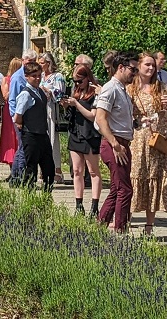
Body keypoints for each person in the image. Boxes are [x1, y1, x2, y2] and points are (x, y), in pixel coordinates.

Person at [127, 52, 167, 235]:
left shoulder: (161, 87)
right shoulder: (130, 88)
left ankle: (149, 225)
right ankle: (127, 220)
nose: (150, 68)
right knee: (135, 176)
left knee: (154, 177)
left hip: (157, 140)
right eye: (147, 64)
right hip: (138, 139)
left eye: (153, 65)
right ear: (138, 66)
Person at [95, 51, 137, 233]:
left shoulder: (122, 90)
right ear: (120, 67)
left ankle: (100, 224)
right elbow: (100, 118)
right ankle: (120, 230)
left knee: (117, 188)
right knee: (125, 190)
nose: (134, 74)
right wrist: (115, 144)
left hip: (122, 142)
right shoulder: (110, 88)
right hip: (114, 143)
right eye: (132, 69)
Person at [61, 60, 102, 217]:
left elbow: (92, 116)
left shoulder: (95, 92)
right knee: (77, 171)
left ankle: (94, 205)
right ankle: (78, 204)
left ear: (88, 78)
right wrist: (67, 106)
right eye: (75, 81)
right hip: (76, 133)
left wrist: (77, 104)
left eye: (80, 80)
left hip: (90, 134)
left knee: (93, 171)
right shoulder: (76, 92)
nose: (77, 83)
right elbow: (70, 116)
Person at [13, 62, 55, 189]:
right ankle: (29, 193)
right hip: (31, 134)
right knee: (31, 167)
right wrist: (22, 125)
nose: (37, 78)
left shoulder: (39, 91)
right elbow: (17, 116)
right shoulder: (26, 94)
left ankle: (47, 193)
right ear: (26, 76)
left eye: (39, 75)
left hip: (42, 133)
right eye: (34, 76)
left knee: (48, 167)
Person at [7, 50, 39, 186]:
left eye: (33, 62)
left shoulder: (32, 75)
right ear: (23, 60)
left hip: (31, 118)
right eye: (28, 61)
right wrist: (17, 119)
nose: (30, 64)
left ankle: (20, 176)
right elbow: (12, 99)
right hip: (21, 117)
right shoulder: (17, 77)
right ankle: (17, 176)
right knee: (23, 148)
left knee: (25, 148)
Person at [38, 52, 66, 184]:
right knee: (42, 140)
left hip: (51, 110)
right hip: (41, 110)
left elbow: (60, 94)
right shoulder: (41, 76)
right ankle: (43, 169)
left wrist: (49, 91)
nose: (40, 65)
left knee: (52, 140)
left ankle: (57, 170)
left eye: (42, 63)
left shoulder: (57, 76)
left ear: (48, 63)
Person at [0, 57, 21, 167]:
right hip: (10, 110)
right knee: (10, 136)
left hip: (21, 108)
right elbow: (5, 96)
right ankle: (12, 164)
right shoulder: (6, 79)